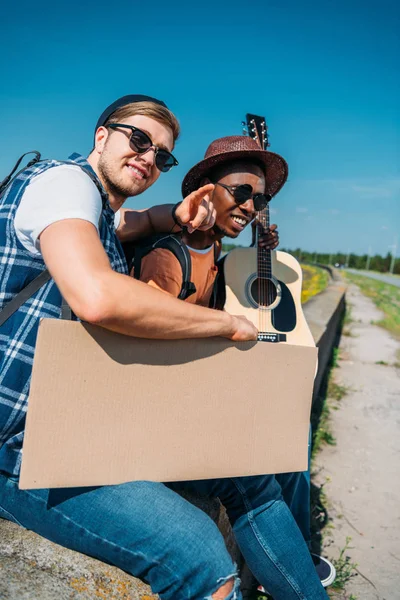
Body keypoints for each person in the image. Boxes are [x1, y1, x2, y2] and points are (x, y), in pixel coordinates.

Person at [0, 95, 328, 600]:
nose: (149, 156)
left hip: (68, 424)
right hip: (17, 448)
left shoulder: (91, 212)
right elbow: (97, 296)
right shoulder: (62, 183)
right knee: (200, 555)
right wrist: (224, 324)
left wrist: (167, 215)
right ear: (100, 135)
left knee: (251, 475)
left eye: (163, 154)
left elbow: (123, 225)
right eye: (138, 139)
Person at [136, 135, 336, 592]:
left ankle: (294, 551)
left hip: (196, 394)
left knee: (291, 423)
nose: (250, 204)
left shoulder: (214, 247)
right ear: (206, 189)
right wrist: (223, 325)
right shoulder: (169, 255)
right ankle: (293, 563)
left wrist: (257, 247)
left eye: (259, 197)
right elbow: (147, 339)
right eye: (240, 192)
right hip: (164, 418)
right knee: (267, 450)